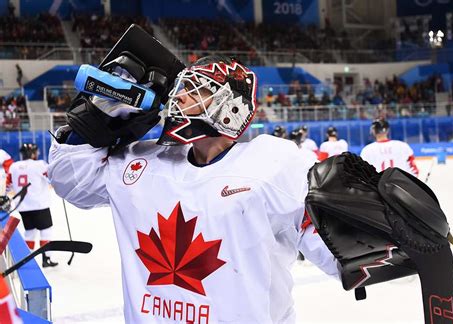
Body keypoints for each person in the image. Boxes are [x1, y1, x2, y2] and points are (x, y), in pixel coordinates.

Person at [48, 55, 339, 323]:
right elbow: (69, 181)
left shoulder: (274, 163)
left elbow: (346, 256)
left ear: (231, 108)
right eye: (182, 86)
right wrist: (99, 116)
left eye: (197, 89)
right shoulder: (142, 161)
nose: (179, 95)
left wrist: (376, 213)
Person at [8, 143, 58, 268]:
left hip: (23, 207)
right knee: (46, 232)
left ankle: (26, 260)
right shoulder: (40, 164)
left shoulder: (14, 166)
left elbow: (8, 185)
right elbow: (51, 178)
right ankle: (47, 258)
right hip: (40, 205)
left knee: (29, 233)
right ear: (32, 153)